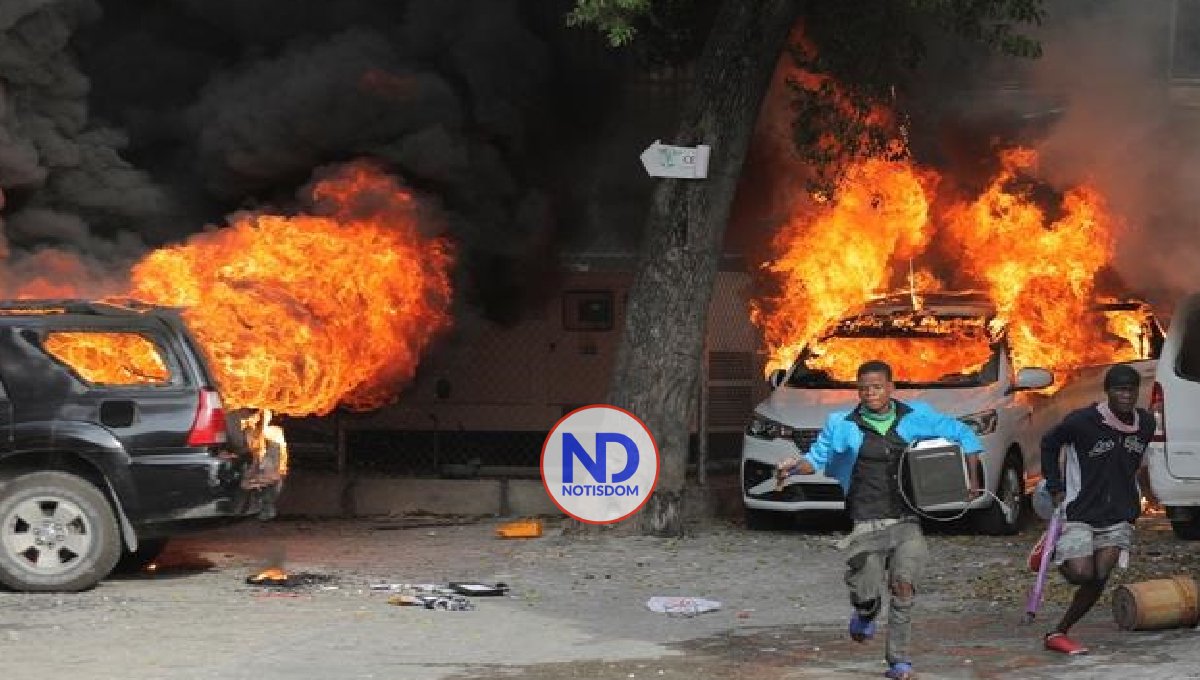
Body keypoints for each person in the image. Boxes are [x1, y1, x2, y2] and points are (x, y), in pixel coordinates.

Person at [777, 360, 983, 680]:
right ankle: (865, 612)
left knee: (903, 587)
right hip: (866, 519)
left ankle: (898, 661)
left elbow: (965, 436)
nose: (869, 393)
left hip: (906, 519)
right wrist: (791, 467)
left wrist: (971, 481)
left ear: (890, 388)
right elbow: (815, 459)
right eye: (863, 388)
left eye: (876, 387)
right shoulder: (842, 423)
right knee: (867, 592)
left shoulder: (916, 417)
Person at [1037, 363, 1157, 655]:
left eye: (1130, 390)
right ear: (1108, 392)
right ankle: (1051, 551)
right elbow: (1048, 443)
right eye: (1119, 389)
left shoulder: (1146, 424)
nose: (1125, 396)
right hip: (1080, 511)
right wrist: (1055, 485)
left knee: (1099, 576)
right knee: (1081, 573)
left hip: (1119, 515)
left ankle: (1059, 631)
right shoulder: (1082, 421)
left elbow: (1134, 464)